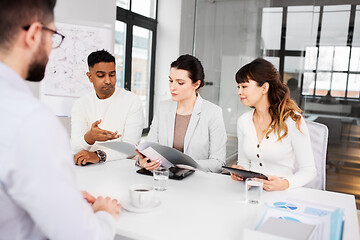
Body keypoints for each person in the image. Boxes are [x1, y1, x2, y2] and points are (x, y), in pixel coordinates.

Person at [0, 1, 121, 239]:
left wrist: (63, 199)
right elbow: (83, 236)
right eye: (53, 35)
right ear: (34, 34)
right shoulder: (31, 121)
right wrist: (105, 214)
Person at [231, 58, 316, 191]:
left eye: (244, 86)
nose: (239, 92)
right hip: (250, 193)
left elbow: (309, 170)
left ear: (264, 87)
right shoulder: (243, 120)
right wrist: (239, 172)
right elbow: (244, 163)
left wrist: (285, 183)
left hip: (281, 195)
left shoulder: (293, 120)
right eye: (238, 87)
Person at [137, 54, 227, 173]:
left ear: (196, 84)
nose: (172, 87)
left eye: (180, 83)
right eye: (170, 81)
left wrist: (184, 164)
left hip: (197, 183)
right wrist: (143, 161)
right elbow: (151, 149)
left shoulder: (212, 113)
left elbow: (218, 162)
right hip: (163, 179)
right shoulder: (163, 107)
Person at [71, 50, 144, 166]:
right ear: (90, 77)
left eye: (112, 75)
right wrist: (89, 138)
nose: (108, 81)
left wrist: (98, 155)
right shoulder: (80, 104)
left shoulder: (132, 101)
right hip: (89, 168)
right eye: (101, 75)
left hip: (121, 169)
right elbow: (75, 148)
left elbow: (131, 148)